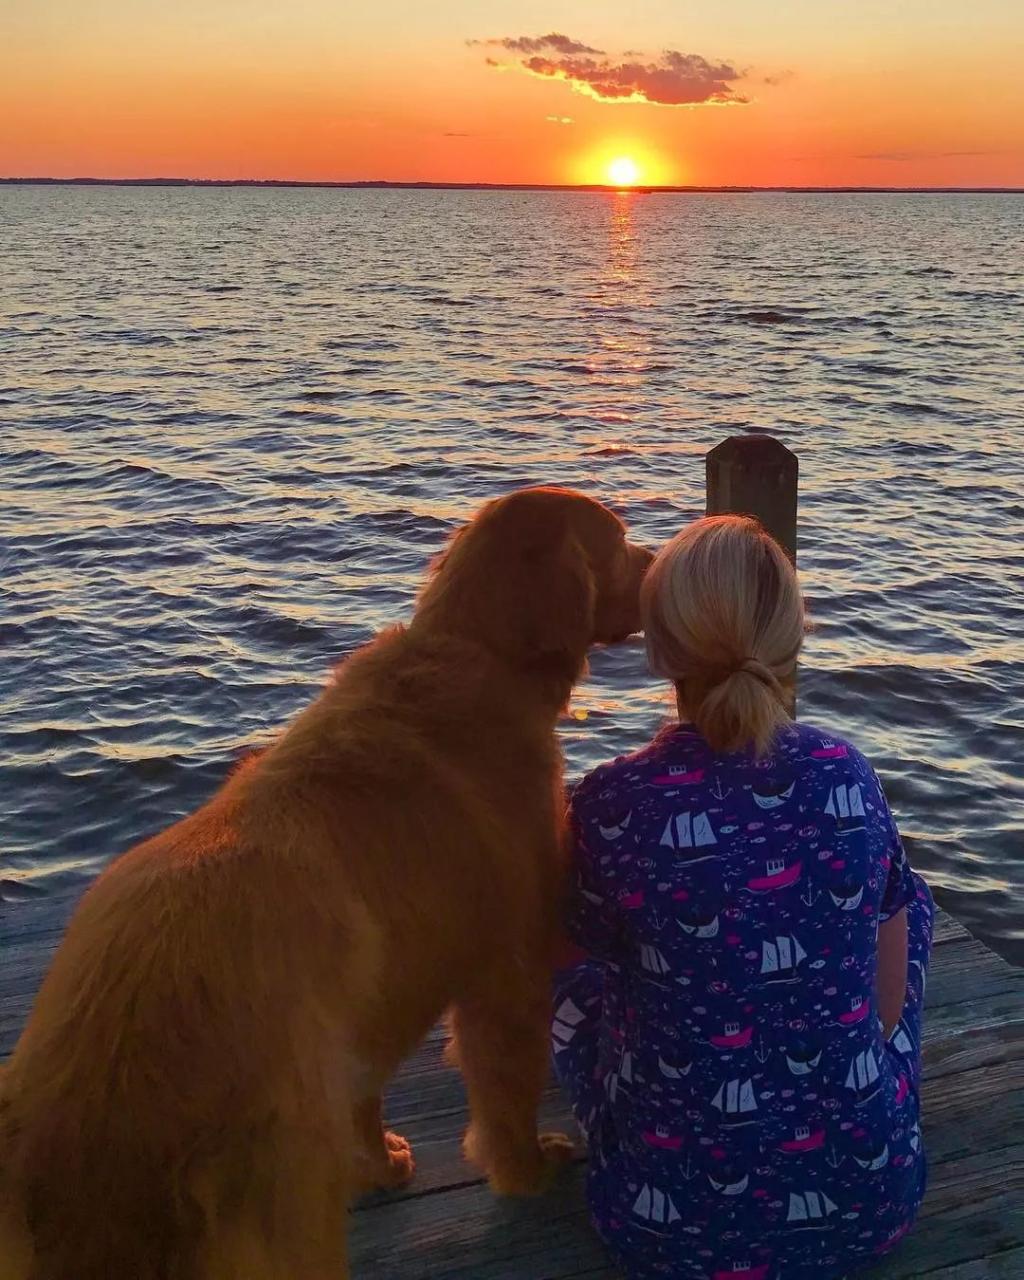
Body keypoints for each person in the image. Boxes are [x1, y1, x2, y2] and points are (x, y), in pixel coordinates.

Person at [552, 515, 933, 1280]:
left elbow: (560, 960)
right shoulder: (846, 773)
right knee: (910, 901)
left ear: (658, 651)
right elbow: (886, 1008)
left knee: (571, 970)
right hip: (869, 1203)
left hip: (662, 1226)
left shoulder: (610, 802)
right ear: (793, 635)